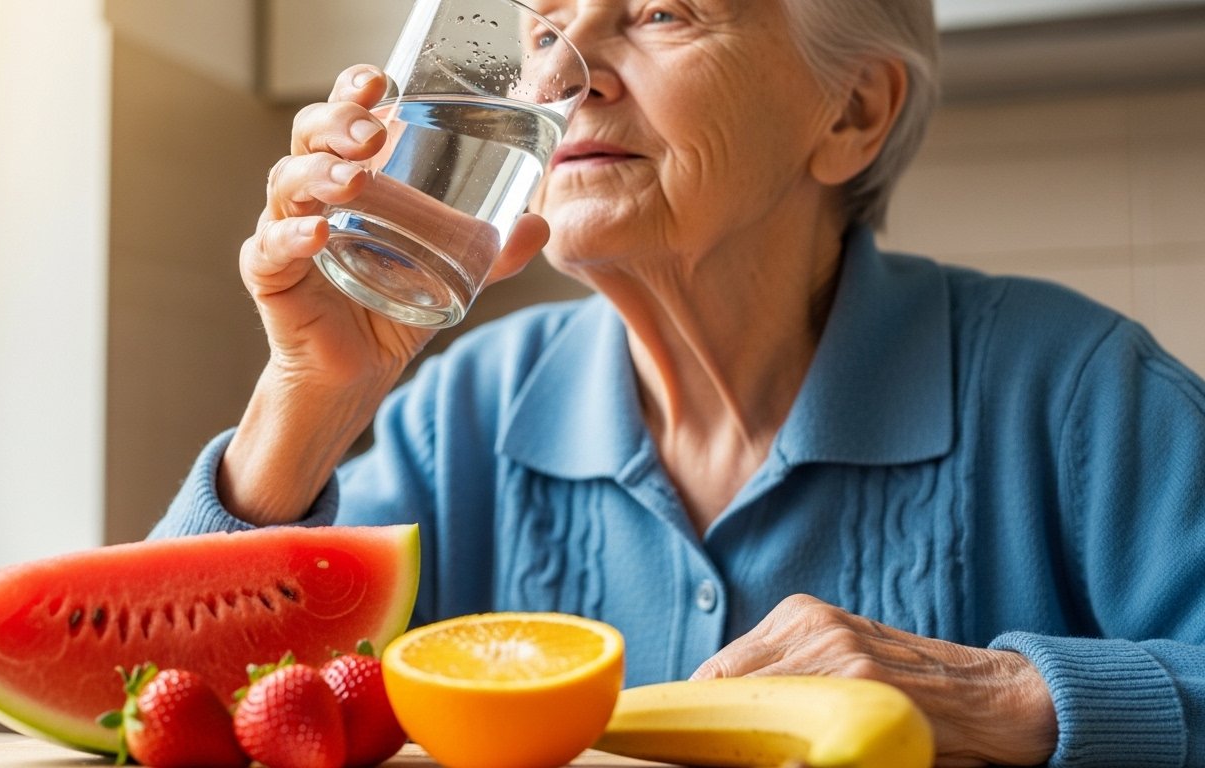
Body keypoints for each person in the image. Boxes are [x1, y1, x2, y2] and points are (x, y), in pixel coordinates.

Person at [150, 0, 1205, 765]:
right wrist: (311, 391)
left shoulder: (1079, 397)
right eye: (547, 25)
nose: (567, 76)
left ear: (851, 113)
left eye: (659, 13)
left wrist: (1004, 695)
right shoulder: (463, 412)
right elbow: (157, 708)